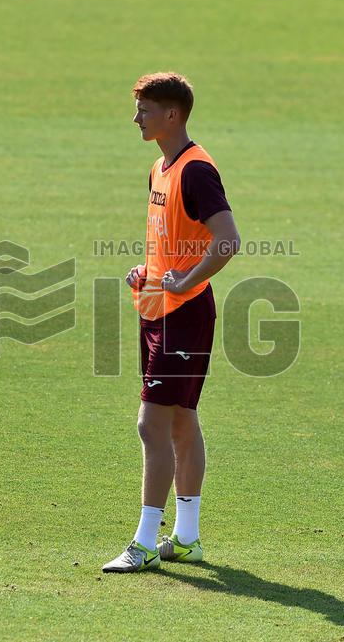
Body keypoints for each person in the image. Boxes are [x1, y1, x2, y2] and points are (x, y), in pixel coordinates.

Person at [103, 72, 241, 573]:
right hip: (158, 309)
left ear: (172, 115)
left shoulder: (196, 171)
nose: (135, 116)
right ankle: (186, 539)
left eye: (144, 108)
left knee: (151, 424)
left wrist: (187, 281)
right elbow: (172, 240)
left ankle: (142, 544)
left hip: (185, 314)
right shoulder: (159, 168)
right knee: (181, 421)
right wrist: (151, 271)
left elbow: (227, 240)